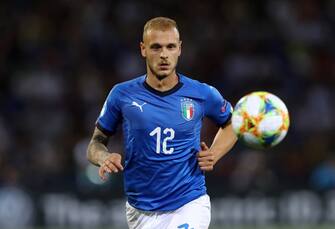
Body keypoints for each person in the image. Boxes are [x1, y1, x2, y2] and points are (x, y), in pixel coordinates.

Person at [87, 16, 237, 229]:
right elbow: (95, 144)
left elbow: (233, 124)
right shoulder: (122, 95)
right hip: (140, 210)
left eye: (170, 46)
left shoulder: (201, 93)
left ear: (180, 49)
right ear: (143, 49)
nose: (164, 54)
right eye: (156, 47)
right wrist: (103, 157)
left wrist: (214, 153)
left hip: (189, 202)